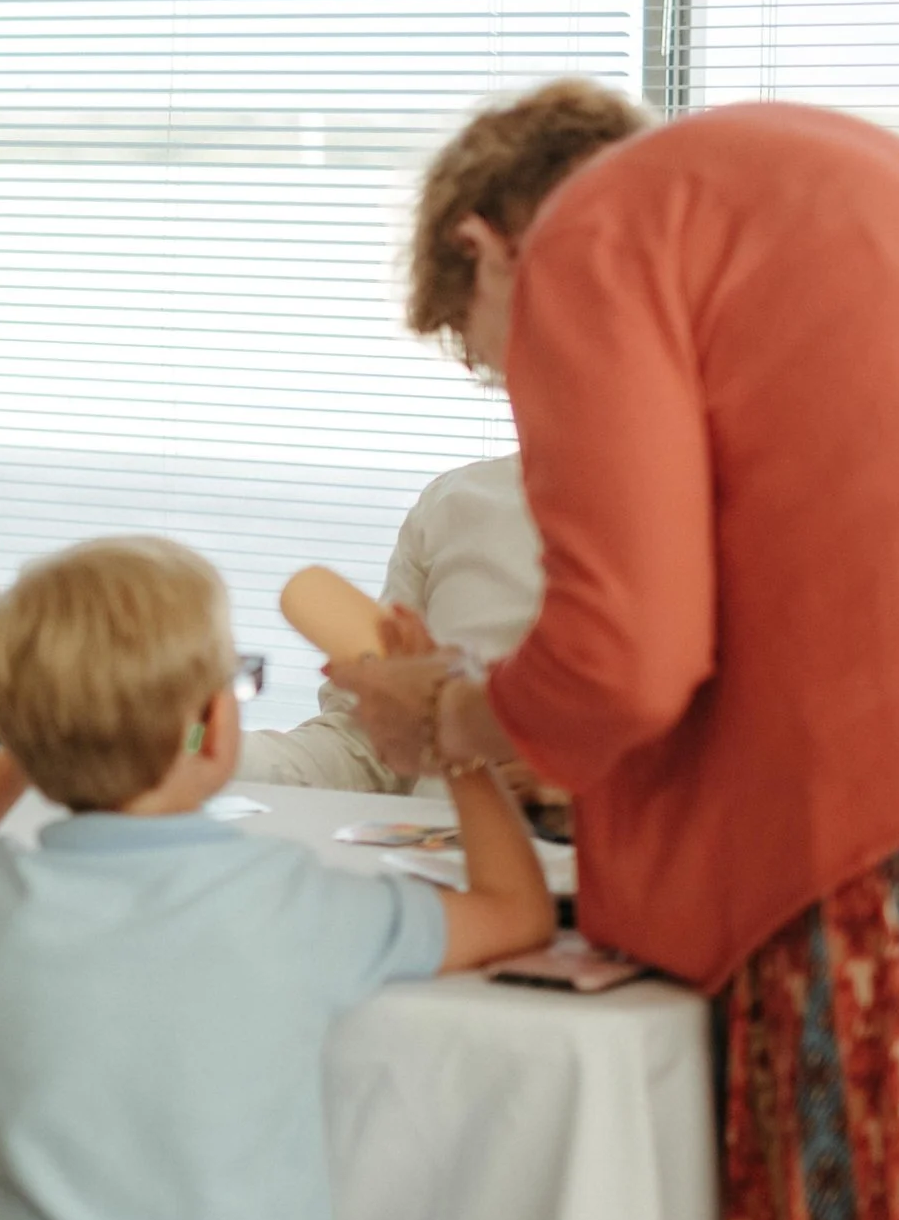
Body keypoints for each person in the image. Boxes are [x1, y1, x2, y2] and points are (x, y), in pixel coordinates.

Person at [333, 99, 899, 1220]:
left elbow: (627, 658)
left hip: (871, 822)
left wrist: (449, 712)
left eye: (488, 354)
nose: (516, 392)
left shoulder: (588, 235)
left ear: (482, 246)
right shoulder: (827, 174)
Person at [0, 537, 551, 1220]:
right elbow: (517, 913)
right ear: (208, 725)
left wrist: (34, 740)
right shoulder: (285, 905)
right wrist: (451, 741)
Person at [242, 80, 651, 792]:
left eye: (505, 359)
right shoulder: (457, 505)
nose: (520, 395)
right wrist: (208, 763)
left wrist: (566, 782)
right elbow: (366, 746)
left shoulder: (749, 512)